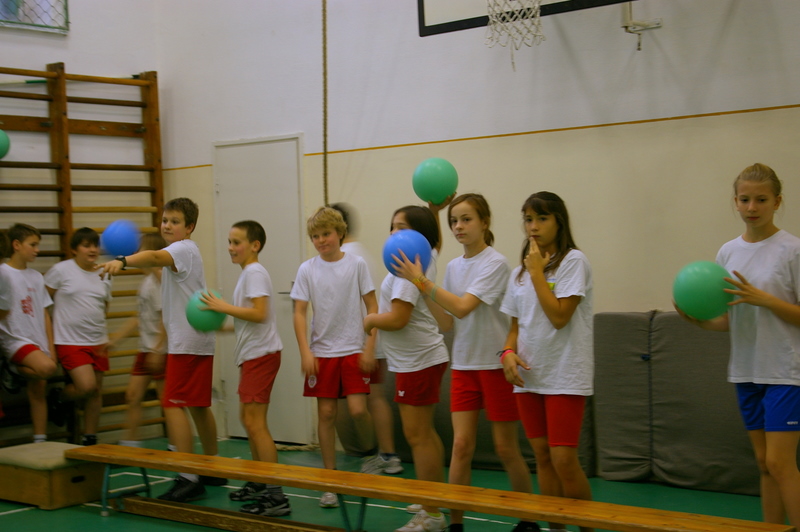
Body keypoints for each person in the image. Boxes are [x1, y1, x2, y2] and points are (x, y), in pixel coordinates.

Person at [393, 193, 533, 532]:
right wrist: (421, 289)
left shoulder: (495, 263)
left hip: (496, 366)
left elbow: (463, 307)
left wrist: (422, 281)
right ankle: (455, 524)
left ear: (484, 222)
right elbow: (447, 321)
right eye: (454, 220)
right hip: (464, 367)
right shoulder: (454, 266)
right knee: (460, 445)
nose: (458, 226)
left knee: (506, 448)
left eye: (466, 219)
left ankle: (528, 519)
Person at [676, 163, 800, 530]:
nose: (752, 207)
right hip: (746, 370)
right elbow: (731, 319)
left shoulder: (792, 250)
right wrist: (698, 321)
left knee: (780, 463)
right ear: (735, 202)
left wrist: (766, 300)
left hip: (785, 372)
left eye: (761, 199)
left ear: (777, 201)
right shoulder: (728, 253)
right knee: (763, 464)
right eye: (744, 199)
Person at [100, 198, 222, 502]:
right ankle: (213, 466)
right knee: (197, 406)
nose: (167, 225)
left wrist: (123, 260)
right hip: (197, 341)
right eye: (165, 220)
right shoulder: (185, 251)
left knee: (172, 404)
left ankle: (188, 477)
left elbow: (154, 256)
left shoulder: (182, 249)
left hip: (185, 343)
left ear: (189, 227)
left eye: (174, 221)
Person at [500, 192, 594, 532]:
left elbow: (559, 317)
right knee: (542, 456)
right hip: (530, 378)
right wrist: (507, 354)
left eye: (542, 218)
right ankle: (556, 529)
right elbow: (515, 328)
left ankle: (587, 528)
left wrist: (538, 272)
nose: (534, 227)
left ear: (559, 221)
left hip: (565, 375)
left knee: (563, 459)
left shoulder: (573, 262)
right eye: (528, 219)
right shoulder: (518, 274)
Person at [364, 205, 449, 532]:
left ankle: (432, 514)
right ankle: (433, 496)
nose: (393, 233)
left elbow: (398, 318)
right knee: (424, 433)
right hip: (419, 360)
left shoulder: (407, 272)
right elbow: (435, 243)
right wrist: (434, 210)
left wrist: (371, 320)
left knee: (418, 435)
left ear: (418, 237)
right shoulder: (420, 262)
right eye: (392, 226)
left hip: (419, 361)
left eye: (402, 228)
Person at [199, 220, 290, 517]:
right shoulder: (248, 274)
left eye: (236, 242)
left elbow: (260, 313)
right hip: (253, 355)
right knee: (248, 420)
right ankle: (259, 480)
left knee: (255, 423)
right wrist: (222, 327)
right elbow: (249, 319)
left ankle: (276, 496)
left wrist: (222, 307)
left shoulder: (254, 273)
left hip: (261, 356)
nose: (230, 247)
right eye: (229, 241)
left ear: (255, 245)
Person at [290, 206, 378, 509]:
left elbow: (372, 307)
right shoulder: (307, 269)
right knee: (326, 414)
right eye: (315, 236)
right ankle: (329, 480)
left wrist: (369, 347)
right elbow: (299, 313)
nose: (321, 241)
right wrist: (305, 351)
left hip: (353, 348)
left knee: (357, 410)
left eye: (325, 234)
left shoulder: (356, 265)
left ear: (339, 233)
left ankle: (372, 452)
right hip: (322, 352)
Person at [331, 202, 403, 475]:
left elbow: (362, 306)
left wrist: (367, 347)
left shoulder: (348, 257)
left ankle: (382, 455)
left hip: (362, 343)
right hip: (367, 342)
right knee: (375, 399)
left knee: (367, 403)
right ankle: (386, 455)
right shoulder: (361, 253)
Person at [45, 227, 112, 446]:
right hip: (69, 341)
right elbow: (42, 302)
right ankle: (58, 397)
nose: (92, 250)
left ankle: (90, 437)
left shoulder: (105, 272)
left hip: (98, 340)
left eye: (95, 245)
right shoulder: (61, 270)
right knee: (86, 386)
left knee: (95, 392)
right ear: (74, 249)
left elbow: (104, 305)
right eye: (86, 245)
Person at [108, 233, 168, 448]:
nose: (135, 253)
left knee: (167, 402)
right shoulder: (146, 282)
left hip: (161, 351)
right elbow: (139, 317)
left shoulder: (160, 282)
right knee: (132, 395)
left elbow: (166, 318)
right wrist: (116, 339)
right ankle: (130, 443)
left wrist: (158, 350)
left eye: (140, 249)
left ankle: (177, 447)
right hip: (146, 350)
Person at [0, 224, 58, 439]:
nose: (37, 250)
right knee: (46, 368)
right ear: (16, 245)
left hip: (37, 340)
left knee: (38, 391)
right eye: (32, 245)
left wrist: (51, 348)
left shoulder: (36, 276)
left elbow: (44, 313)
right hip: (15, 339)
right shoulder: (3, 272)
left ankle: (40, 440)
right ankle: (12, 368)